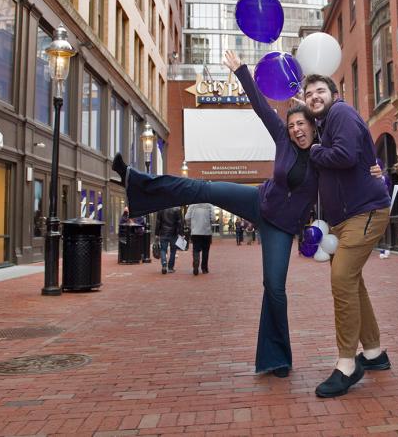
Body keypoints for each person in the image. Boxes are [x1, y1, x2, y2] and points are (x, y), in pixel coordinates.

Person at [111, 49, 319, 379]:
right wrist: (241, 72)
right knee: (203, 188)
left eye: (301, 124)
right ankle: (135, 181)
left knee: (274, 288)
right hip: (257, 201)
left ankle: (277, 358)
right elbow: (262, 107)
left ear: (312, 126)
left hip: (280, 228)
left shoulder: (324, 158)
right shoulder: (283, 139)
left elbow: (346, 171)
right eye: (292, 124)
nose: (296, 130)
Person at [303, 74, 392, 399]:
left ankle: (346, 365)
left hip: (364, 212)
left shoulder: (340, 113)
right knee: (353, 283)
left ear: (334, 94)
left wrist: (314, 151)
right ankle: (373, 353)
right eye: (309, 94)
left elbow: (345, 156)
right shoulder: (326, 124)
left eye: (320, 91)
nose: (314, 96)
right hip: (344, 219)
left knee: (341, 279)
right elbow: (359, 155)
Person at [185, 203, 212, 275]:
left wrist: (191, 225)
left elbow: (187, 218)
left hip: (195, 232)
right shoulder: (209, 205)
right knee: (205, 250)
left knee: (196, 249)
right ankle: (204, 268)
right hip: (206, 232)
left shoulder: (192, 205)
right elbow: (213, 218)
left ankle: (196, 263)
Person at [155, 206, 183, 274]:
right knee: (173, 251)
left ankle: (164, 263)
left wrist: (157, 234)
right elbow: (180, 222)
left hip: (163, 232)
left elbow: (158, 222)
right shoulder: (177, 209)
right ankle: (170, 268)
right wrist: (181, 233)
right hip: (174, 233)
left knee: (163, 249)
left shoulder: (161, 209)